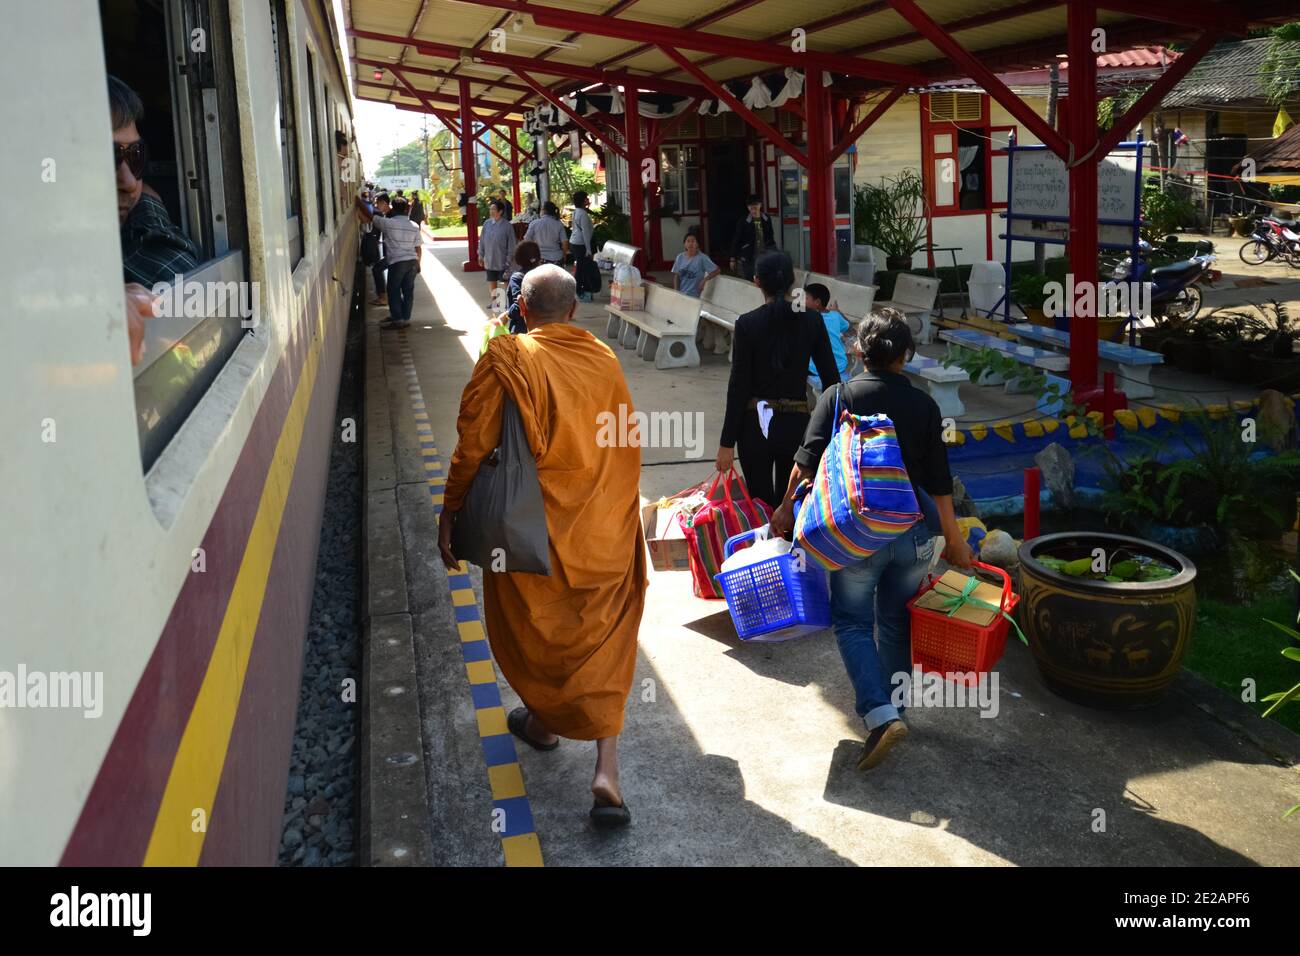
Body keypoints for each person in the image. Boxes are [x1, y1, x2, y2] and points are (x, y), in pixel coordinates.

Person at [438, 265, 646, 827]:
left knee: (535, 630)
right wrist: (621, 515)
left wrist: (450, 511)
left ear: (523, 311)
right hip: (602, 527)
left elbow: (472, 448)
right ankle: (606, 770)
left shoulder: (506, 359)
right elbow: (626, 446)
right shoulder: (602, 358)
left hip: (530, 533)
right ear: (574, 311)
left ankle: (542, 721)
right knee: (603, 640)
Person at [769, 308, 974, 772]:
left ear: (858, 351)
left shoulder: (837, 396)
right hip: (914, 532)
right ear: (907, 355)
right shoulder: (924, 405)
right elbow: (940, 479)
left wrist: (784, 508)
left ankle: (881, 716)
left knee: (855, 623)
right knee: (898, 621)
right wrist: (956, 539)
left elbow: (805, 462)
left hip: (856, 535)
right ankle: (895, 710)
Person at [716, 251, 840, 511]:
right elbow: (831, 380)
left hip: (754, 427)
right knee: (793, 507)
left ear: (757, 281)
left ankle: (764, 549)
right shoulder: (812, 320)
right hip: (797, 427)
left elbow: (738, 386)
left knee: (761, 507)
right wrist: (830, 430)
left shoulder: (747, 324)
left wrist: (726, 443)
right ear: (793, 281)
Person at [355, 194, 422, 329]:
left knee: (394, 290)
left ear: (393, 208)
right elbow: (418, 248)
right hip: (412, 262)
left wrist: (357, 201)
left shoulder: (388, 223)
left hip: (397, 262)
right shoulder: (414, 225)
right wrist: (418, 264)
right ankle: (405, 318)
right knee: (408, 292)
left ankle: (398, 319)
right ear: (406, 209)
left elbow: (370, 216)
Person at [803, 282, 853, 395]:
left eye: (806, 298)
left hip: (817, 370)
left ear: (817, 302)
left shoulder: (807, 318)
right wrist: (838, 311)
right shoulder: (835, 316)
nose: (803, 301)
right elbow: (849, 327)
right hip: (840, 366)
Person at [478, 199, 516, 309]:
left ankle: (508, 303)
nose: (491, 211)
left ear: (500, 211)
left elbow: (512, 244)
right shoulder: (487, 224)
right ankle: (495, 302)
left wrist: (509, 258)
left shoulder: (507, 226)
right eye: (491, 209)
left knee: (505, 282)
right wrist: (481, 255)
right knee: (492, 281)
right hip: (489, 259)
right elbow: (482, 240)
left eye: (494, 209)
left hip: (503, 259)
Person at [498, 240, 542, 335]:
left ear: (518, 259)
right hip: (542, 328)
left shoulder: (517, 278)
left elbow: (519, 304)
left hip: (521, 328)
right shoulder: (545, 276)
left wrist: (506, 316)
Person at [729, 194, 776, 281]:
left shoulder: (766, 218)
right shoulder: (743, 221)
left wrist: (774, 253)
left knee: (763, 279)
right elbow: (737, 239)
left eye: (756, 207)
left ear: (760, 205)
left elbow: (770, 237)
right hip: (748, 255)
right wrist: (732, 258)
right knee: (750, 280)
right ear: (748, 207)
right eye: (751, 207)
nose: (754, 210)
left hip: (764, 255)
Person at [568, 190, 599, 303]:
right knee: (581, 269)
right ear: (582, 200)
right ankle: (579, 291)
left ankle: (580, 290)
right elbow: (586, 233)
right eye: (586, 198)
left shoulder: (576, 211)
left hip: (575, 242)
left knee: (581, 268)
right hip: (581, 244)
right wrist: (589, 250)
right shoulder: (583, 214)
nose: (588, 199)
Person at [671, 230, 720, 298]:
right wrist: (676, 291)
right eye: (688, 241)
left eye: (693, 241)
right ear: (684, 244)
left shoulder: (702, 258)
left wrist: (704, 280)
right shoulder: (680, 257)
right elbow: (676, 275)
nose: (691, 243)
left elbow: (717, 270)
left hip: (694, 295)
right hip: (681, 293)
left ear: (697, 244)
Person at [523, 200, 568, 265]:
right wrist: (564, 256)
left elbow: (526, 240)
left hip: (539, 259)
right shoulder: (559, 224)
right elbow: (565, 243)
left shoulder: (534, 223)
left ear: (543, 210)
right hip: (556, 259)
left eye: (541, 209)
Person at [369, 192, 393, 306]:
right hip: (392, 252)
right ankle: (384, 296)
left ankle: (383, 297)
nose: (376, 206)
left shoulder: (390, 216)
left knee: (377, 269)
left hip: (395, 253)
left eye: (377, 203)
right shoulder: (387, 215)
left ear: (384, 203)